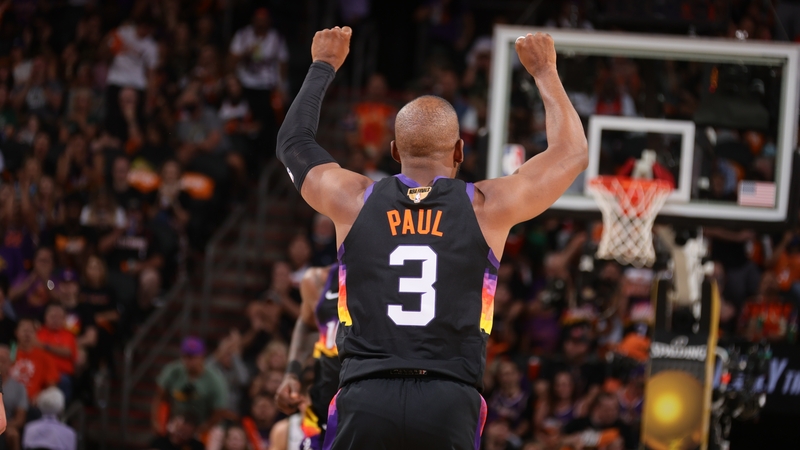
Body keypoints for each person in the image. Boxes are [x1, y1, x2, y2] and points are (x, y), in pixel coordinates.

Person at [276, 27, 587, 449]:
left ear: (394, 151)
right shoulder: (486, 207)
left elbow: (294, 141)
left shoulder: (353, 200)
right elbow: (571, 152)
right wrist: (545, 71)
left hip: (366, 395)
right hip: (448, 399)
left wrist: (323, 64)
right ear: (459, 151)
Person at [275, 264, 339, 449]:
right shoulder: (318, 279)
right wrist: (292, 373)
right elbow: (306, 322)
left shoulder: (386, 278)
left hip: (364, 410)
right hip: (321, 412)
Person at [152, 336, 229, 437]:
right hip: (178, 421)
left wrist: (198, 431)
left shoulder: (215, 379)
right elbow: (159, 397)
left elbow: (219, 413)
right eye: (186, 357)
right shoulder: (173, 371)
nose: (189, 361)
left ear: (202, 356)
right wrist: (157, 423)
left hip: (206, 424)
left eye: (193, 357)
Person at [9, 318, 60, 402]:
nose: (27, 334)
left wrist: (39, 396)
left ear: (36, 334)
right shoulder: (9, 353)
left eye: (30, 331)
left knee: (56, 395)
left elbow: (52, 385)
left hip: (34, 401)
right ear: (16, 333)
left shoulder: (45, 356)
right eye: (24, 331)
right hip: (8, 400)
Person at [2, 344, 29, 450]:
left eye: (3, 360)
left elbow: (20, 418)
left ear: (10, 363)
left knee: (14, 434)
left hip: (7, 426)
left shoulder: (19, 388)